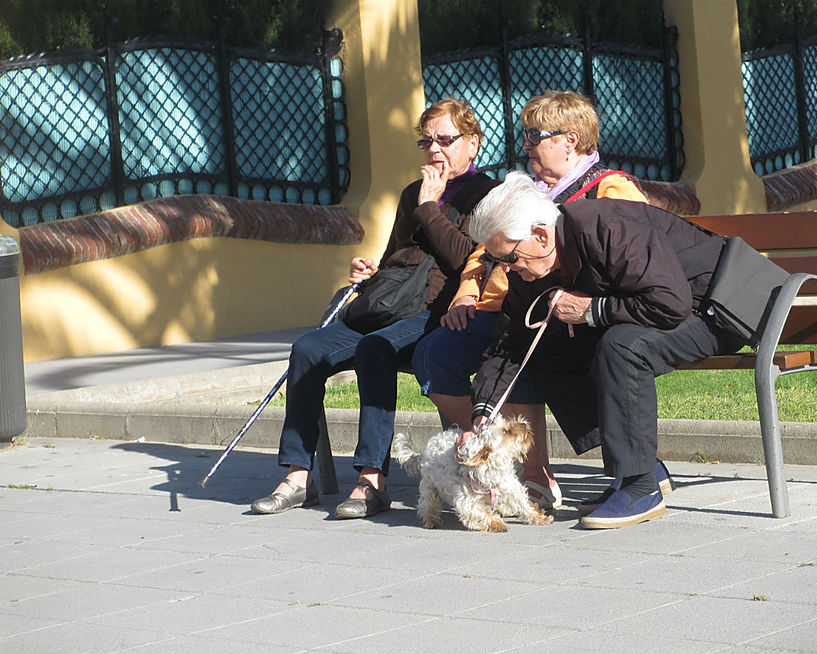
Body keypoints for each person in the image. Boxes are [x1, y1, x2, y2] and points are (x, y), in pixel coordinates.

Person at [251, 98, 497, 518]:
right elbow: (397, 257)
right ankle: (297, 475)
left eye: (446, 140)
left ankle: (371, 479)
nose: (434, 150)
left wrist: (429, 207)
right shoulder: (410, 193)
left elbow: (465, 260)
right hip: (388, 303)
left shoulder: (487, 194)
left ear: (472, 143)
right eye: (426, 142)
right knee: (308, 349)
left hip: (436, 309)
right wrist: (370, 271)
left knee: (375, 350)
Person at [463, 171, 747, 529]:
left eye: (510, 257)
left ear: (540, 234)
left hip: (720, 305)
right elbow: (510, 343)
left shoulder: (606, 227)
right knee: (548, 349)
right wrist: (483, 415)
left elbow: (671, 302)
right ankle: (640, 469)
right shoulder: (531, 271)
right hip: (674, 308)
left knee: (622, 347)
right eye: (497, 260)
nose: (506, 269)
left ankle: (640, 487)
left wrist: (592, 310)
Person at [412, 90, 649, 509]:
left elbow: (627, 257)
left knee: (521, 346)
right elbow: (481, 252)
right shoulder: (520, 190)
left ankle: (533, 471)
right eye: (524, 137)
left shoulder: (611, 189)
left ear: (569, 140)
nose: (525, 146)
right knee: (434, 355)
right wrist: (467, 293)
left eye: (533, 136)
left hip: (560, 316)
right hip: (500, 306)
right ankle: (487, 456)